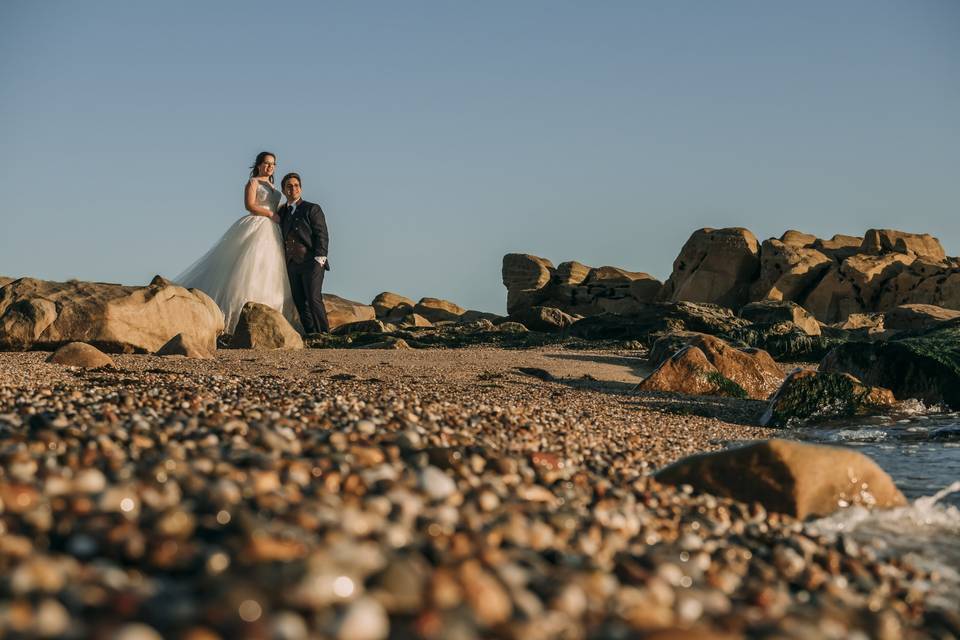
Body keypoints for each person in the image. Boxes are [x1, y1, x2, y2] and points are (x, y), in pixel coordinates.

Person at [175, 151, 299, 333]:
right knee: (249, 266)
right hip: (258, 224)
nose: (270, 166)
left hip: (273, 228)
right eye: (266, 163)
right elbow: (249, 205)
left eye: (273, 164)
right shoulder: (253, 182)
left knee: (270, 268)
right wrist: (271, 214)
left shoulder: (272, 185)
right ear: (258, 165)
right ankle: (235, 318)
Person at [278, 172, 331, 333]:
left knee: (313, 299)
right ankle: (311, 334)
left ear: (300, 189)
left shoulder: (312, 208)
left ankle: (325, 334)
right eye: (289, 186)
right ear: (283, 190)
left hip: (311, 261)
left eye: (296, 185)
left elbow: (322, 234)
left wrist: (320, 259)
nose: (293, 189)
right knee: (300, 301)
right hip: (292, 264)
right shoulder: (282, 213)